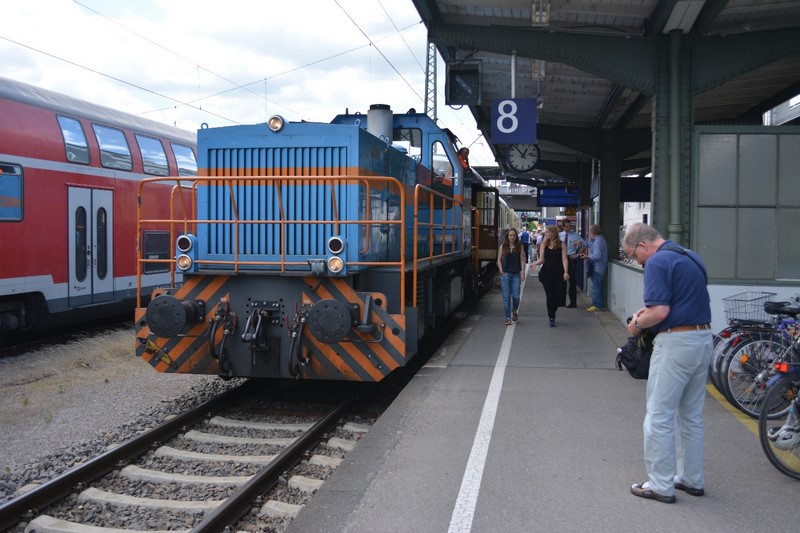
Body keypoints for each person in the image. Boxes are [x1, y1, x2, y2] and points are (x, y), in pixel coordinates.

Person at [622, 223, 713, 504]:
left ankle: (660, 484)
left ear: (642, 245)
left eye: (633, 255)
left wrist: (637, 323)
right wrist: (647, 312)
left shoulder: (657, 261)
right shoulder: (689, 255)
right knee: (691, 416)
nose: (636, 261)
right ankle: (691, 478)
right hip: (703, 338)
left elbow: (660, 311)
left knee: (659, 415)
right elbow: (682, 299)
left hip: (676, 344)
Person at [532, 225, 569, 327]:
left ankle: (553, 309)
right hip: (546, 274)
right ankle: (551, 317)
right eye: (546, 232)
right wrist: (535, 264)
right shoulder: (544, 244)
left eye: (548, 232)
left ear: (553, 233)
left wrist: (566, 272)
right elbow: (542, 259)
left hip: (559, 273)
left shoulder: (562, 245)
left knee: (558, 296)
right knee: (550, 295)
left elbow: (564, 259)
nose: (546, 234)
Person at [497, 228, 526, 326]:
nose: (512, 237)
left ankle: (514, 310)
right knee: (506, 298)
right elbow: (499, 260)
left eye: (514, 235)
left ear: (516, 236)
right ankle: (508, 318)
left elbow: (522, 260)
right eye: (510, 235)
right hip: (505, 275)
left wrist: (523, 273)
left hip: (516, 275)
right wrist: (501, 270)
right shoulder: (503, 246)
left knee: (516, 296)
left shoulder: (519, 246)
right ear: (507, 236)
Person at [559, 220, 585, 308]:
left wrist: (578, 254)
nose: (568, 228)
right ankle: (561, 301)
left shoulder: (574, 235)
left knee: (572, 281)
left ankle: (573, 302)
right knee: (561, 281)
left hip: (571, 258)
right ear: (563, 227)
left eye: (569, 226)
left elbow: (584, 244)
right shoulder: (559, 235)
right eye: (566, 226)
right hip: (561, 259)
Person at [583, 224, 608, 312]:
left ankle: (597, 305)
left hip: (597, 268)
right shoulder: (599, 239)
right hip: (600, 267)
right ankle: (599, 304)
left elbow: (597, 256)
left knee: (595, 287)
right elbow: (590, 245)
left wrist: (587, 256)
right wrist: (582, 242)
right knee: (598, 286)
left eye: (590, 231)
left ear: (593, 232)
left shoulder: (598, 242)